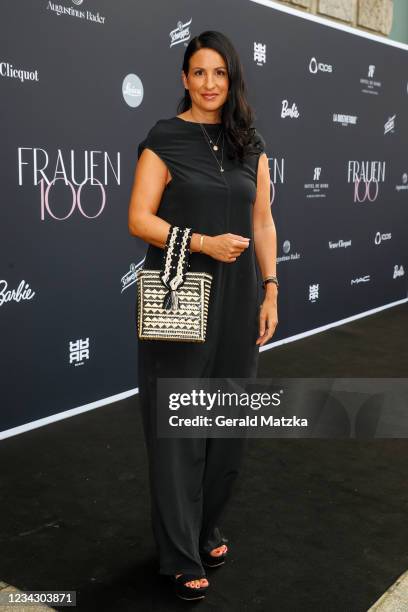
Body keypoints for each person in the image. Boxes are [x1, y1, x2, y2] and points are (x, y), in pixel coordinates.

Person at [128, 30, 278, 601]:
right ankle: (179, 551)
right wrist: (201, 244)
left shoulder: (251, 143)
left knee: (229, 424)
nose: (210, 84)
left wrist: (271, 288)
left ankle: (207, 522)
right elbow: (140, 219)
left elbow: (262, 222)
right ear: (183, 78)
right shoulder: (164, 138)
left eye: (220, 73)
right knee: (179, 430)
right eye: (199, 72)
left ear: (232, 77)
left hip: (241, 298)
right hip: (181, 294)